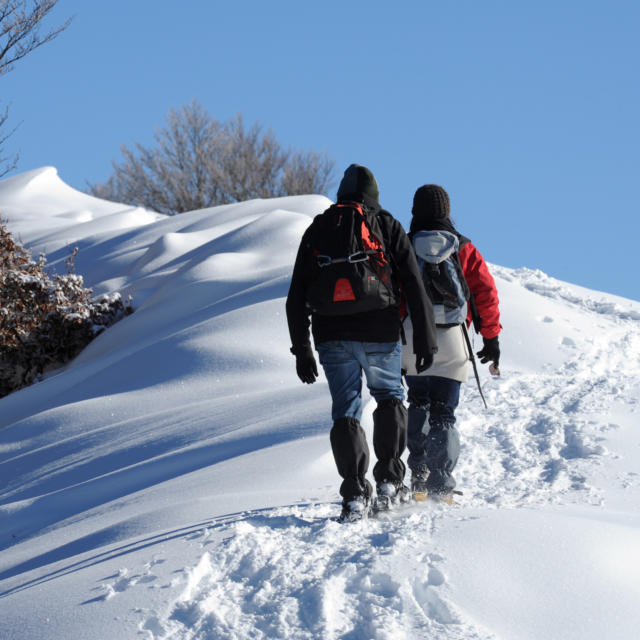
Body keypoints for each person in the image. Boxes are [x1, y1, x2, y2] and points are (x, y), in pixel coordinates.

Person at [286, 164, 438, 521]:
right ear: (374, 195)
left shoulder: (319, 228)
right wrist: (427, 339)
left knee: (346, 410)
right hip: (379, 331)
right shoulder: (386, 224)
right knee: (388, 397)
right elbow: (414, 285)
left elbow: (296, 296)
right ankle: (388, 482)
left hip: (331, 336)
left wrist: (302, 349)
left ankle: (354, 492)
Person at [401, 184, 501, 502]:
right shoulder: (463, 247)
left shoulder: (402, 245)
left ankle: (418, 477)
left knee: (418, 403)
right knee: (444, 413)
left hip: (414, 338)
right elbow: (484, 291)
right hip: (453, 338)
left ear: (416, 210)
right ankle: (441, 485)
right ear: (446, 211)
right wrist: (491, 336)